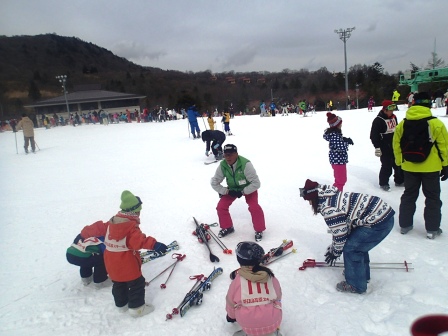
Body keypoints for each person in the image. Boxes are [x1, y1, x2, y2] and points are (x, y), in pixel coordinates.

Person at [77, 190, 169, 317]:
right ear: (134, 212)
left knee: (119, 283)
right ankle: (137, 309)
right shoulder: (130, 228)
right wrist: (155, 245)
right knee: (137, 284)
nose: (139, 214)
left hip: (111, 264)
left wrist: (83, 234)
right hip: (127, 263)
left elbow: (95, 228)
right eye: (138, 211)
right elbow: (140, 241)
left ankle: (121, 305)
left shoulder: (110, 223)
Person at [299, 179, 395, 294]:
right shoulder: (330, 194)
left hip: (379, 222)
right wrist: (335, 247)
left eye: (309, 200)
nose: (309, 203)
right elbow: (344, 227)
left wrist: (335, 252)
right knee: (358, 245)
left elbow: (340, 235)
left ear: (314, 198)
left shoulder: (329, 208)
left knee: (352, 249)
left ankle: (356, 284)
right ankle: (360, 275)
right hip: (381, 214)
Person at [392, 92, 448, 239]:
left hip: (409, 167)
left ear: (414, 103)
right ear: (429, 104)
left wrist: (399, 163)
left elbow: (396, 145)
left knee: (409, 195)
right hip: (431, 168)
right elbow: (444, 146)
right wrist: (445, 165)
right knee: (432, 198)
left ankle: (405, 225)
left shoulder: (403, 124)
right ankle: (432, 229)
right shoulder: (436, 124)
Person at [211, 144, 266, 242]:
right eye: (226, 155)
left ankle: (259, 230)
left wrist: (243, 191)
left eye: (231, 154)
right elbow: (214, 182)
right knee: (221, 206)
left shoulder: (245, 164)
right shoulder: (223, 165)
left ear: (236, 154)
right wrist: (226, 191)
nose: (228, 157)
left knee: (254, 207)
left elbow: (256, 183)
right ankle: (227, 227)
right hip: (232, 189)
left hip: (248, 188)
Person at [226, 241, 282, 336]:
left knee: (250, 323)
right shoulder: (270, 277)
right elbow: (278, 297)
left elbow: (230, 302)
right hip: (273, 322)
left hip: (248, 324)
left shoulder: (237, 281)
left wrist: (231, 317)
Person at [370, 100, 404, 191]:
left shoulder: (394, 117)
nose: (392, 112)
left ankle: (399, 180)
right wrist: (377, 147)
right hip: (384, 146)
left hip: (395, 144)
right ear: (385, 110)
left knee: (398, 164)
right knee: (387, 165)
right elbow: (374, 135)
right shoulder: (378, 120)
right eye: (390, 110)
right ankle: (384, 183)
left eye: (393, 109)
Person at [323, 112, 353, 191]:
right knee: (340, 181)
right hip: (337, 160)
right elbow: (341, 146)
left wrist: (344, 139)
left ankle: (337, 194)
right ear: (337, 125)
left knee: (342, 180)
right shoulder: (334, 135)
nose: (341, 125)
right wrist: (347, 142)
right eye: (340, 124)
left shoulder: (335, 134)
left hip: (339, 159)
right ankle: (335, 195)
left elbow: (338, 143)